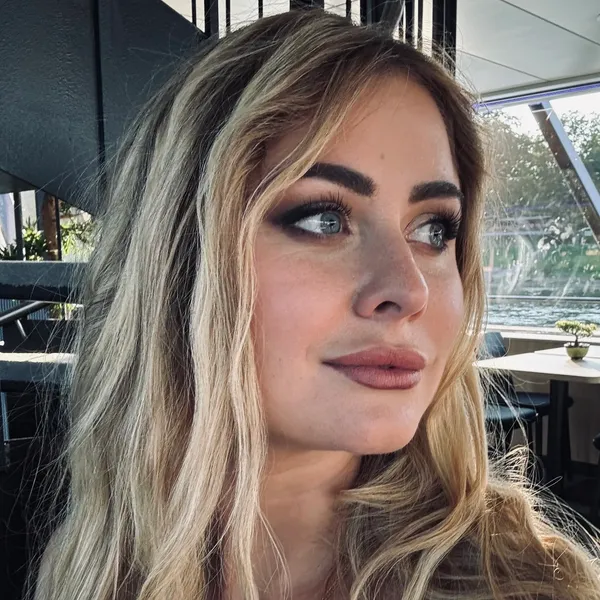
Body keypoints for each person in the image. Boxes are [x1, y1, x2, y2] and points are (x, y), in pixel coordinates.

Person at [31, 9, 600, 600]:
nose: (410, 291)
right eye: (324, 219)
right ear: (179, 260)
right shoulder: (92, 571)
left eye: (434, 230)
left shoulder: (530, 588)